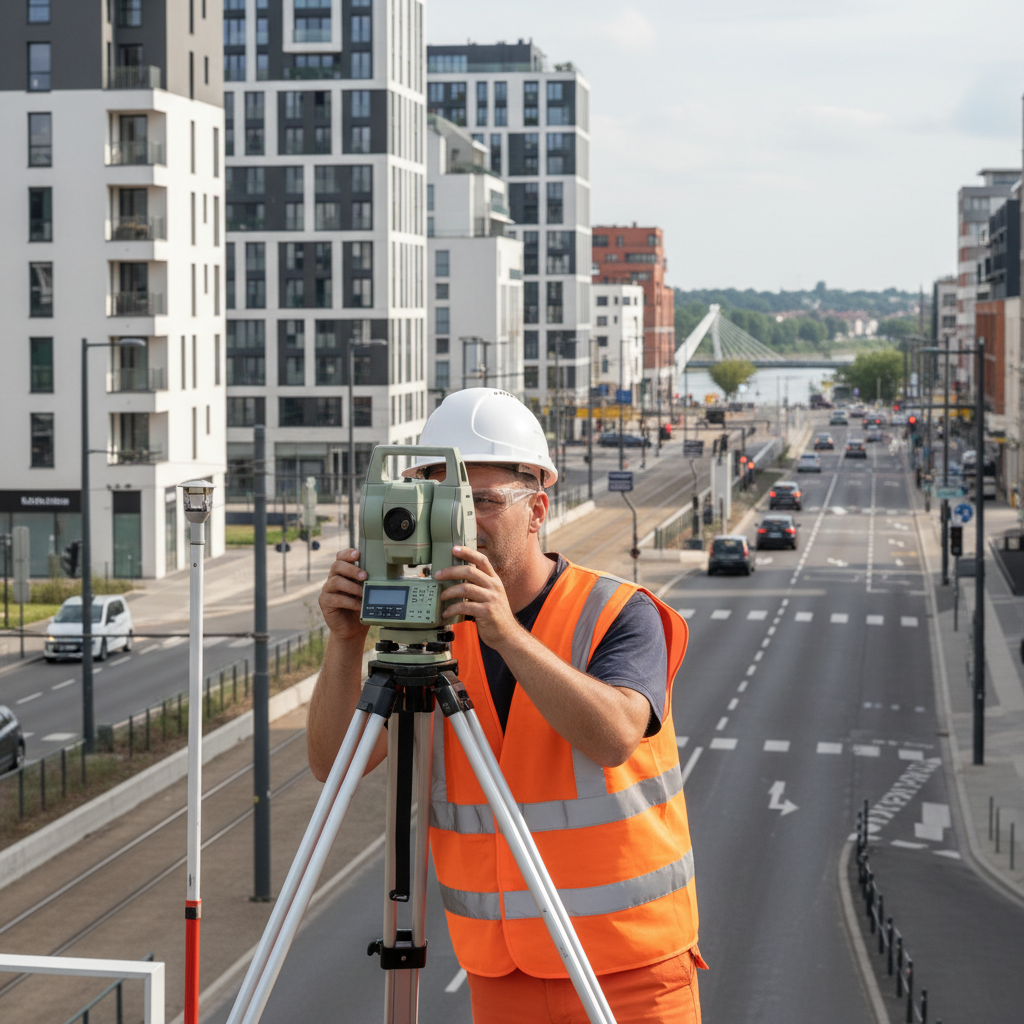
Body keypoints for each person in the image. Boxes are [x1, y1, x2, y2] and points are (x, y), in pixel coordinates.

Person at [309, 389, 704, 1024]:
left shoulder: (620, 613)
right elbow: (335, 764)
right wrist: (347, 642)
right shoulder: (431, 631)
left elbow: (614, 739)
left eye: (483, 502)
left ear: (537, 510)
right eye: (442, 503)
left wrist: (506, 635)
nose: (462, 523)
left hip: (627, 970)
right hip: (499, 970)